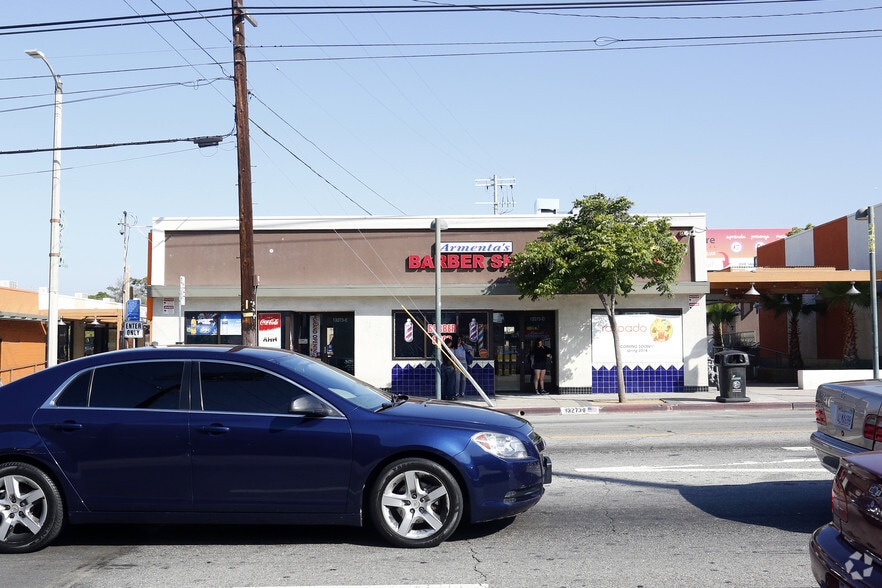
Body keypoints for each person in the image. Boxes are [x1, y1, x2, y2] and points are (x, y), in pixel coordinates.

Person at [451, 333, 472, 398]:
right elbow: (452, 356)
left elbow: (470, 348)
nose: (460, 340)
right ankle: (456, 392)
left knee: (463, 379)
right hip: (457, 363)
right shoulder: (454, 347)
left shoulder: (463, 346)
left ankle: (462, 392)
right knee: (457, 379)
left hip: (464, 363)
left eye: (460, 339)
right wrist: (458, 358)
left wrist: (464, 343)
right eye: (459, 339)